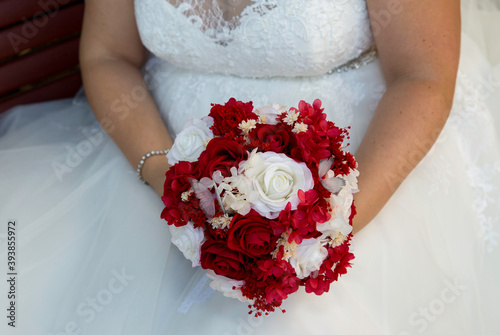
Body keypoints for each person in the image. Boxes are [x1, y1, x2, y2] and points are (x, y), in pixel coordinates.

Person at [1, 0, 499, 334]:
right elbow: (109, 54)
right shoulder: (166, 175)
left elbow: (422, 75)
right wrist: (171, 183)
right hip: (157, 148)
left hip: (358, 163)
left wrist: (320, 231)